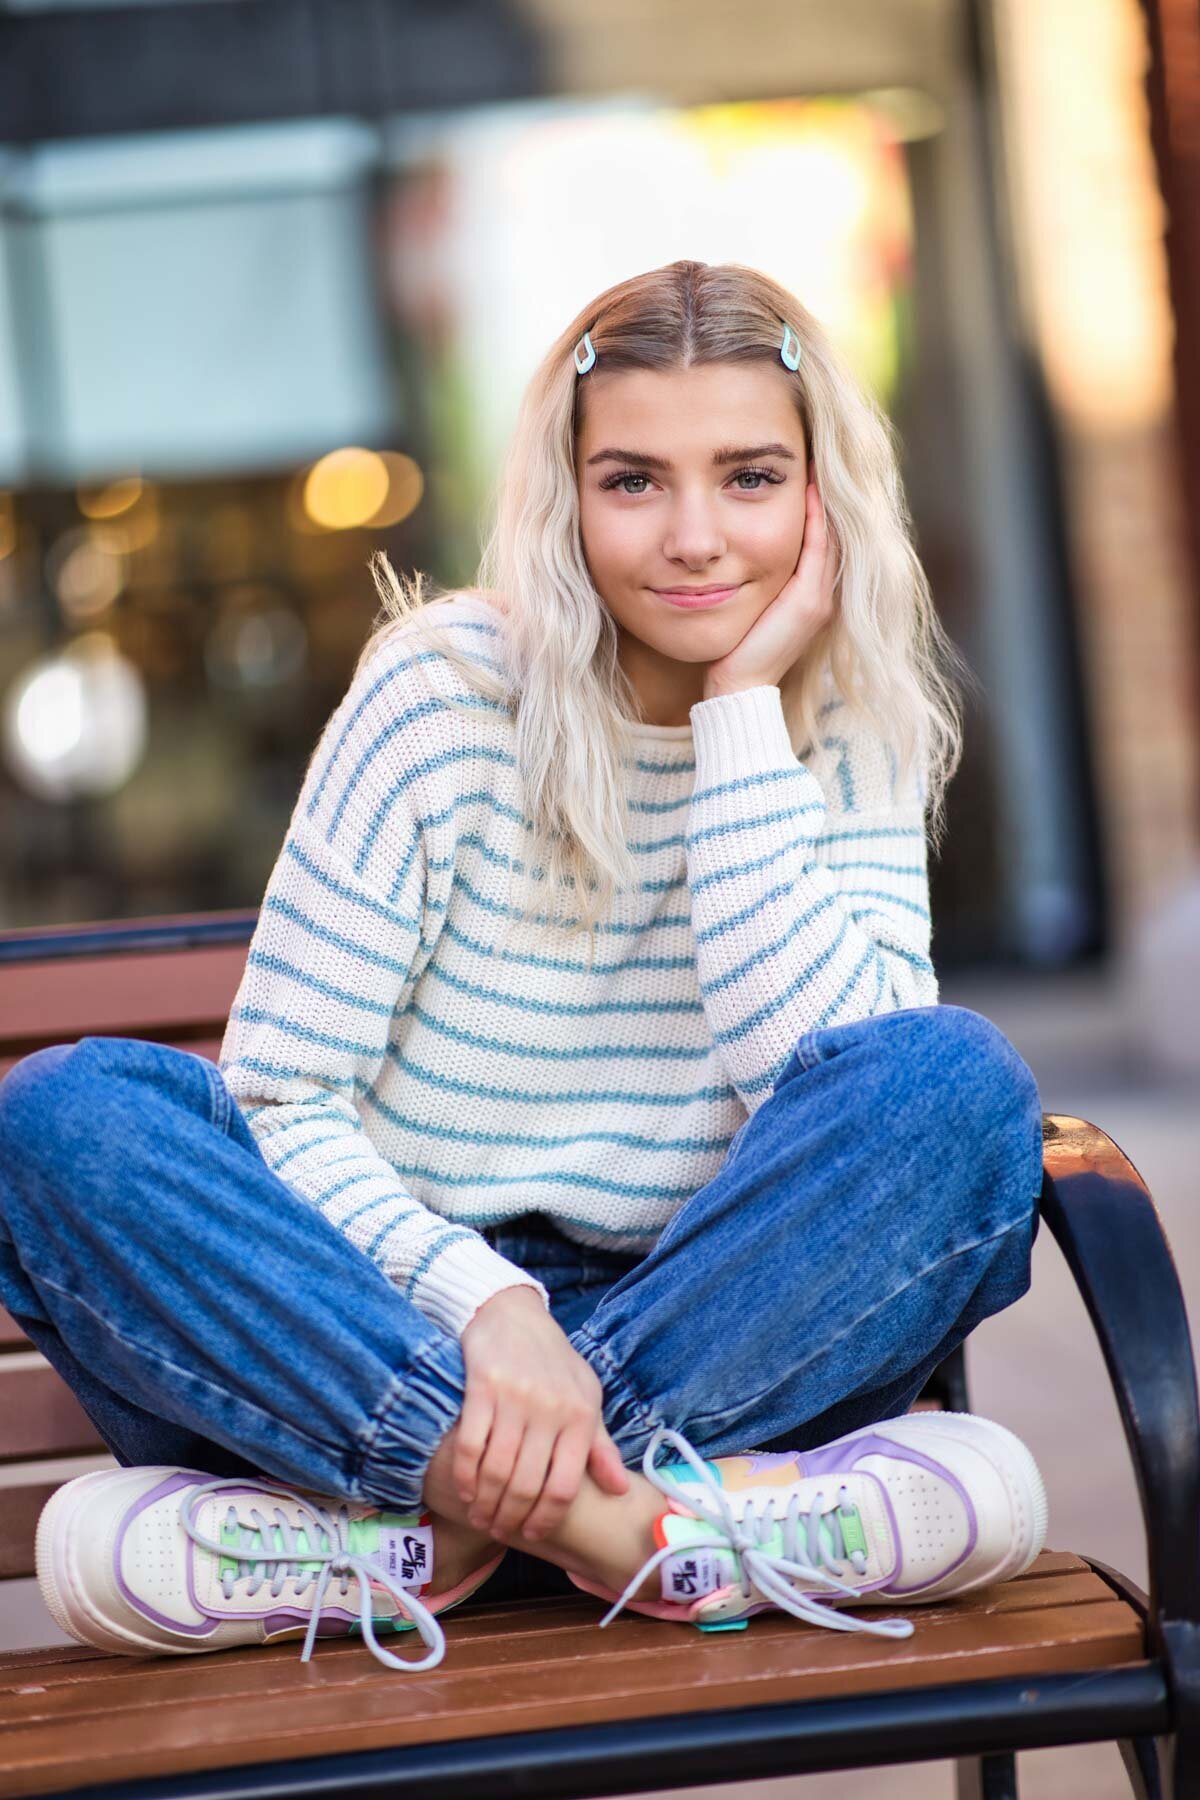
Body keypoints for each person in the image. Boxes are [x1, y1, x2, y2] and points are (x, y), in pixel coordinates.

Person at [0, 260, 1048, 1675]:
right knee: (62, 1117)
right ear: (566, 493)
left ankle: (413, 1537)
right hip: (376, 1312)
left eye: (748, 477)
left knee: (954, 1085)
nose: (693, 538)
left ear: (821, 495)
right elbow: (286, 1099)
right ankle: (643, 1531)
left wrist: (743, 718)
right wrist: (485, 1313)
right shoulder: (443, 695)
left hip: (707, 1302)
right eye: (632, 481)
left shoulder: (853, 719)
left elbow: (832, 1081)